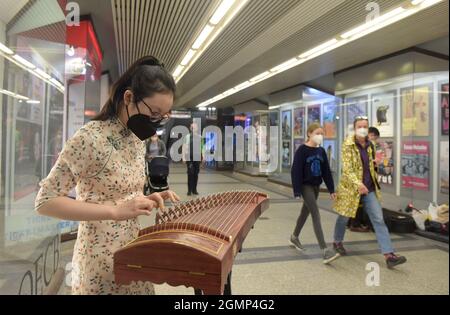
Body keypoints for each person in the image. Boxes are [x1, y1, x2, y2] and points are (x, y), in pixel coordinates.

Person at [35, 56, 181, 294]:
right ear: (128, 98)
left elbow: (123, 191)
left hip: (134, 257)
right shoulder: (90, 138)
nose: (155, 121)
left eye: (162, 116)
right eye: (153, 112)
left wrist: (148, 197)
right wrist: (113, 211)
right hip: (98, 264)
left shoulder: (136, 138)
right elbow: (45, 202)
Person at [333, 117, 407, 269]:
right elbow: (347, 169)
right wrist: (358, 183)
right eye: (359, 126)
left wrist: (374, 164)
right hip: (351, 188)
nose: (362, 128)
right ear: (354, 128)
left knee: (378, 219)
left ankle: (389, 255)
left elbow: (369, 164)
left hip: (369, 188)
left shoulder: (371, 145)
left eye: (365, 126)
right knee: (343, 217)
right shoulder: (348, 145)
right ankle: (337, 241)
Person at [290, 123, 340, 264]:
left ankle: (294, 236)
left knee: (304, 213)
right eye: (317, 133)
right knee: (315, 214)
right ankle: (325, 250)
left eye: (322, 134)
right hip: (306, 187)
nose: (320, 136)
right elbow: (296, 171)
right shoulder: (302, 150)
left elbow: (326, 172)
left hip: (316, 186)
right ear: (309, 134)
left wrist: (331, 189)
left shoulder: (321, 151)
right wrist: (297, 190)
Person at [347, 127, 380, 232]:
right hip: (358, 181)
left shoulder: (370, 147)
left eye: (375, 137)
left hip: (366, 182)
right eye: (372, 136)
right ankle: (354, 224)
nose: (373, 138)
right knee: (357, 203)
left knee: (359, 203)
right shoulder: (356, 147)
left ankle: (354, 223)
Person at [183, 122, 204, 196]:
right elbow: (184, 147)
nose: (193, 128)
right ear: (190, 128)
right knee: (190, 173)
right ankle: (189, 190)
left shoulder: (200, 137)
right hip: (189, 158)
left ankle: (194, 190)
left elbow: (202, 148)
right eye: (192, 127)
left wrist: (203, 156)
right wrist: (183, 157)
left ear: (197, 128)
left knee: (196, 174)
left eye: (194, 127)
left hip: (197, 158)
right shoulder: (187, 137)